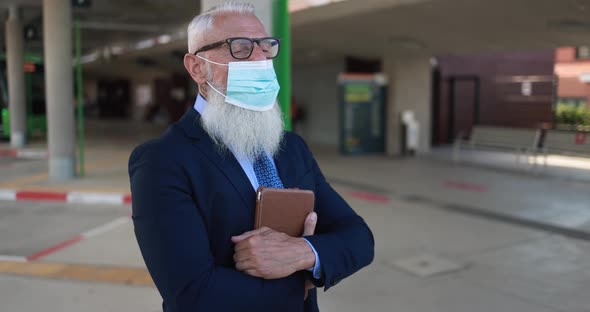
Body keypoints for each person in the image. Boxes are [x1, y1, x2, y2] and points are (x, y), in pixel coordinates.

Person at [128, 2, 374, 312]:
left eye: (266, 46)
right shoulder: (161, 161)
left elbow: (359, 238)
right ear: (197, 67)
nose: (260, 59)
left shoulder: (291, 147)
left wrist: (302, 253)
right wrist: (300, 283)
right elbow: (192, 293)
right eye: (241, 47)